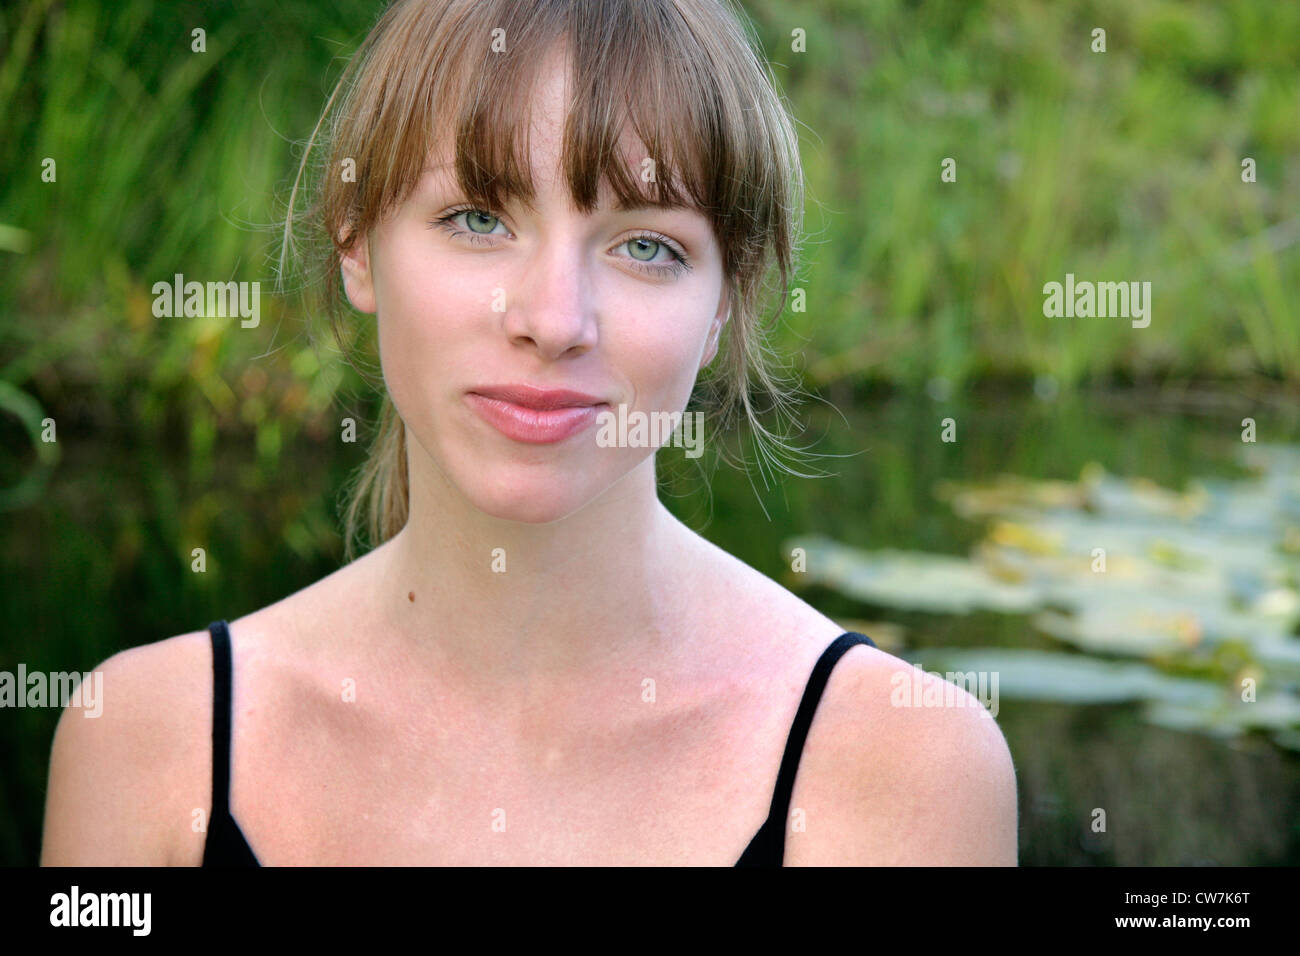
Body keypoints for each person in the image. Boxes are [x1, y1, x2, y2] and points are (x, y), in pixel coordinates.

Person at [41, 0, 1017, 866]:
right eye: (476, 217)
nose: (553, 318)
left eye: (646, 244)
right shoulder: (147, 740)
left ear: (730, 295)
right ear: (356, 243)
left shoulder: (899, 763)